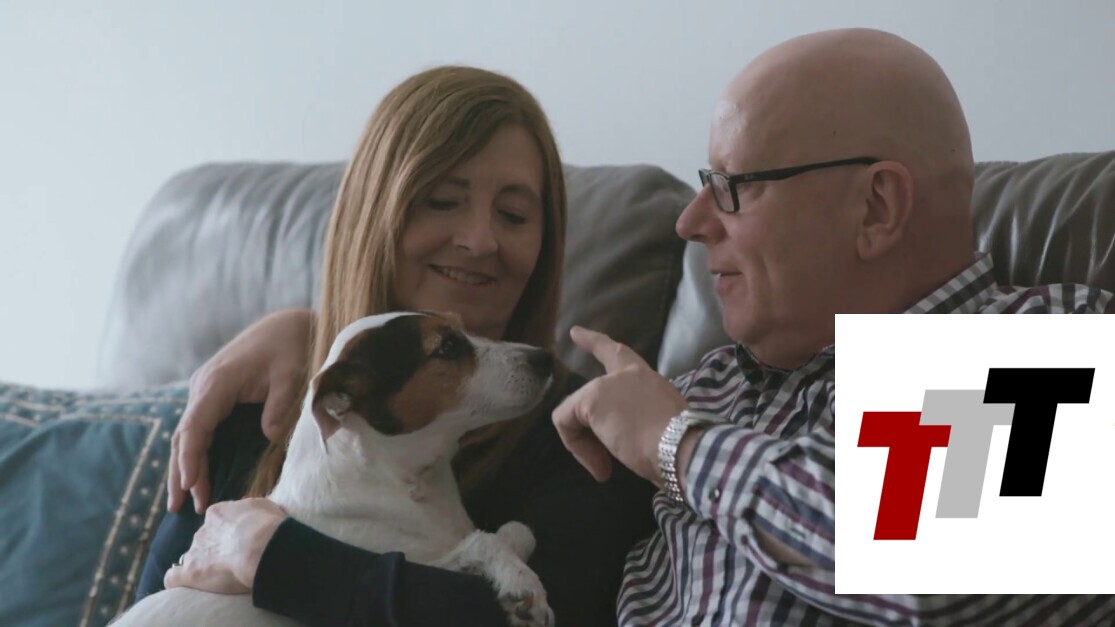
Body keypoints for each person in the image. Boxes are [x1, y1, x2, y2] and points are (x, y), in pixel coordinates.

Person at [550, 28, 1115, 625]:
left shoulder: (1047, 337)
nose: (690, 222)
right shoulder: (710, 387)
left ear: (876, 208)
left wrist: (676, 444)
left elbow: (920, 570)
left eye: (734, 186)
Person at [136, 65, 655, 626]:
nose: (480, 240)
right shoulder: (261, 403)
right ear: (373, 215)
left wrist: (273, 558)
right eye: (442, 201)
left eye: (513, 215)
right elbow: (162, 601)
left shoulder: (585, 438)